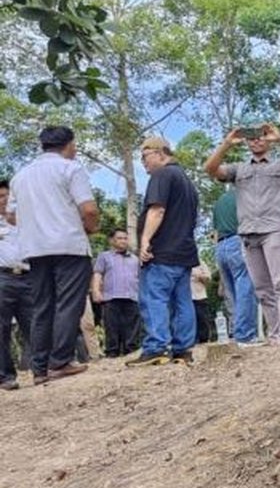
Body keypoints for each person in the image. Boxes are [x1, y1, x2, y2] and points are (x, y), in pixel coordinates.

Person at [10, 126, 98, 384]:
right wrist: (90, 228)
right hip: (68, 244)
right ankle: (60, 361)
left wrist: (37, 224)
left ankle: (39, 368)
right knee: (69, 303)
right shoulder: (70, 169)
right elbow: (89, 209)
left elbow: (12, 215)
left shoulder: (20, 176)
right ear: (68, 145)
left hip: (35, 249)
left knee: (42, 306)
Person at [205, 124, 280, 344]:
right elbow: (210, 169)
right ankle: (275, 334)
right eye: (251, 137)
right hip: (248, 233)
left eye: (261, 136)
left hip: (275, 228)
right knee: (262, 288)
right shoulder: (239, 169)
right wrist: (227, 143)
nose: (256, 140)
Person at [127, 137, 200, 367]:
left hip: (163, 251)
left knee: (154, 298)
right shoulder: (186, 181)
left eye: (145, 156)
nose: (143, 163)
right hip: (184, 252)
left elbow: (157, 210)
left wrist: (145, 240)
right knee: (182, 302)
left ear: (160, 153)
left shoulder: (162, 175)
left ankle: (156, 347)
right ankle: (183, 349)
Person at [212, 190, 261, 347]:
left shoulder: (220, 201)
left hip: (221, 246)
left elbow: (215, 232)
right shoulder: (244, 196)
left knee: (232, 293)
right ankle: (245, 335)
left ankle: (235, 332)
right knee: (245, 289)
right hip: (237, 241)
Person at [0, 180, 33, 390]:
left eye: (7, 196)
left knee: (36, 324)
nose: (4, 200)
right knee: (1, 328)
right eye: (0, 197)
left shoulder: (27, 222)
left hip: (29, 276)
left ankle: (43, 369)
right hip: (3, 278)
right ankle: (5, 376)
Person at [91, 229, 142, 357]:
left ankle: (131, 351)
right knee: (111, 326)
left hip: (132, 296)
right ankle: (112, 352)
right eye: (119, 238)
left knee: (132, 326)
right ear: (112, 240)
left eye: (125, 238)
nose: (123, 241)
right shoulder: (104, 256)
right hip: (111, 297)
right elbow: (97, 274)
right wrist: (96, 291)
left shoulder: (135, 259)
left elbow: (140, 278)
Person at [191, 263, 214, 344]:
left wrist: (199, 275)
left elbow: (208, 279)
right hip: (186, 298)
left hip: (200, 297)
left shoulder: (201, 263)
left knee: (202, 321)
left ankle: (204, 341)